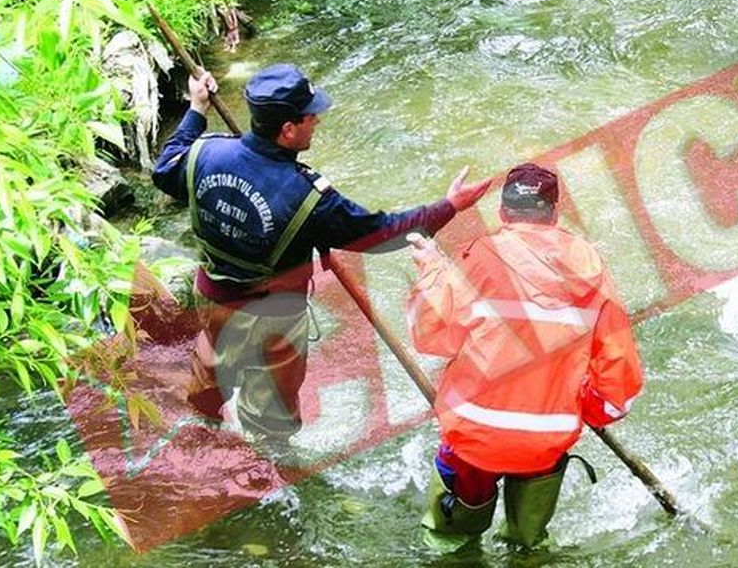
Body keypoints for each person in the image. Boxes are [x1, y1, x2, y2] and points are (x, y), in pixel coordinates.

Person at [151, 63, 490, 445]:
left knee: (210, 368)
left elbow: (166, 167)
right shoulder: (310, 200)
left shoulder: (204, 155)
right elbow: (381, 233)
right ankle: (270, 472)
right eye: (311, 116)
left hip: (214, 300)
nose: (317, 121)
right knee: (272, 419)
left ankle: (201, 433)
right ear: (288, 130)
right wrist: (450, 205)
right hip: (273, 319)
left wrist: (196, 109)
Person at [404, 163, 644, 549]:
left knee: (450, 538)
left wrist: (432, 266)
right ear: (554, 213)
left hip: (472, 434)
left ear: (502, 213)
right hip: (545, 439)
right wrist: (590, 410)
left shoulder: (479, 256)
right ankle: (526, 546)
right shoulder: (590, 264)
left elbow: (430, 336)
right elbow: (619, 377)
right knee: (527, 544)